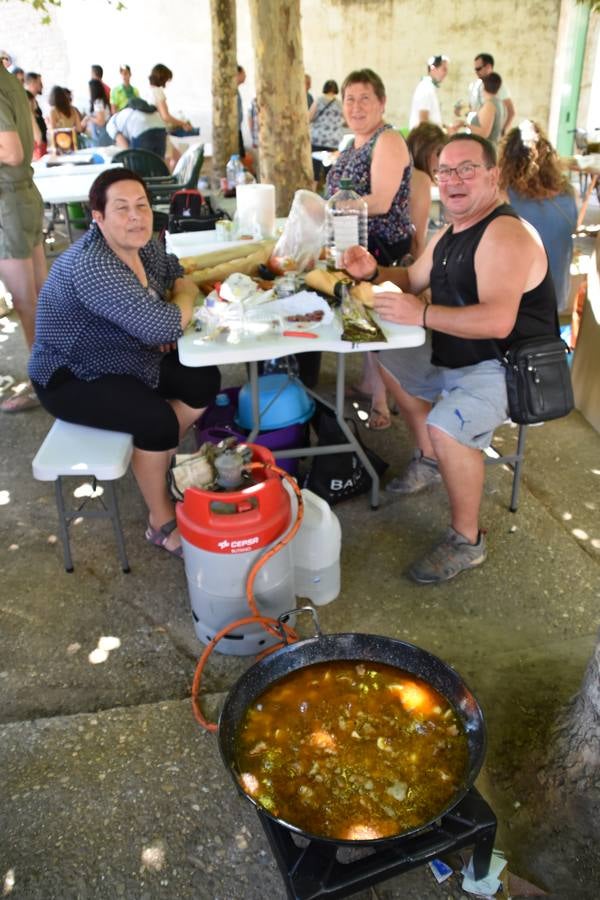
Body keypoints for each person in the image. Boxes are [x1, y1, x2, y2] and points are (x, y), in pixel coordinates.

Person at [341, 134, 557, 584]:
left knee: (449, 426)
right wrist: (374, 272)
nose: (453, 180)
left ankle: (466, 539)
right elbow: (413, 278)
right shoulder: (451, 231)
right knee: (383, 345)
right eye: (445, 171)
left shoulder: (505, 233)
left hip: (505, 367)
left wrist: (421, 313)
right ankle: (430, 457)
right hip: (457, 355)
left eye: (466, 169)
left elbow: (499, 321)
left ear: (493, 175)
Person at [28, 168, 220, 557]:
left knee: (203, 380)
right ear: (97, 218)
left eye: (142, 206)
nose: (135, 216)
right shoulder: (92, 264)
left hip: (123, 353)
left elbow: (173, 272)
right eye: (121, 209)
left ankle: (155, 459)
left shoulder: (144, 243)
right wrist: (181, 300)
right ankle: (160, 519)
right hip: (69, 374)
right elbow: (163, 323)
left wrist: (173, 303)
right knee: (156, 420)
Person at [326, 68, 412, 430]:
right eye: (350, 99)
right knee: (350, 310)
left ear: (381, 103)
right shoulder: (351, 143)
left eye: (365, 98)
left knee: (370, 315)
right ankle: (367, 382)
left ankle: (381, 401)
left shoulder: (388, 140)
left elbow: (379, 201)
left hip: (381, 244)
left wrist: (333, 207)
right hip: (350, 239)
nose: (356, 106)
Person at [0, 61, 46, 412]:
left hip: (8, 202)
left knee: (25, 300)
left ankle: (42, 383)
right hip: (23, 195)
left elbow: (12, 152)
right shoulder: (9, 79)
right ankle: (57, 370)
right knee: (40, 296)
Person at [498, 120, 577, 312]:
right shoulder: (567, 194)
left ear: (507, 160)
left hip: (524, 305)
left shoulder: (505, 196)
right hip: (559, 298)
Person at [406, 122, 446, 260]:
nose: (442, 160)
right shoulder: (420, 179)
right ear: (425, 151)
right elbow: (417, 241)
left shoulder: (403, 173)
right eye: (439, 152)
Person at [148, 63, 193, 168]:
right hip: (159, 131)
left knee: (176, 157)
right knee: (170, 161)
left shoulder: (148, 91)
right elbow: (165, 116)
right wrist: (183, 123)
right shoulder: (158, 92)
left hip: (152, 131)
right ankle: (169, 181)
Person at [468, 53, 515, 135]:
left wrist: (502, 131)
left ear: (489, 67)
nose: (476, 72)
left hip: (489, 136)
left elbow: (511, 111)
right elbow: (475, 108)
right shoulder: (476, 85)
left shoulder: (499, 86)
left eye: (478, 69)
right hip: (475, 133)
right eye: (475, 69)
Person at [309, 79, 346, 183]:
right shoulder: (340, 104)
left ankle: (313, 191)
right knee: (330, 171)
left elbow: (309, 117)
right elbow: (346, 121)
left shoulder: (319, 100)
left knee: (315, 170)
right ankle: (329, 194)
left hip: (317, 139)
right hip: (333, 140)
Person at [408, 55, 449, 130]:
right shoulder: (425, 88)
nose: (446, 73)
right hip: (425, 139)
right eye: (444, 69)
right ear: (433, 68)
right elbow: (423, 121)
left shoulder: (430, 88)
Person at [466, 73, 503, 147]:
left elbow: (484, 133)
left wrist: (464, 125)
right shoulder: (497, 103)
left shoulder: (489, 105)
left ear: (483, 86)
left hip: (485, 150)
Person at [46, 85, 83, 149]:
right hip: (73, 143)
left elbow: (53, 131)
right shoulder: (73, 110)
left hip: (60, 144)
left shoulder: (53, 111)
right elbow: (79, 129)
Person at [82, 78, 112, 147]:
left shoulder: (98, 102)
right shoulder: (103, 101)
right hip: (106, 135)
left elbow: (101, 122)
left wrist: (89, 118)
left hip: (101, 136)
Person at [24, 72, 47, 158]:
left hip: (40, 142)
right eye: (39, 82)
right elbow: (31, 120)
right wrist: (38, 139)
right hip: (36, 144)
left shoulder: (33, 100)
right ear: (32, 82)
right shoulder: (27, 99)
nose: (42, 85)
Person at [237, 64, 246, 157]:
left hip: (238, 128)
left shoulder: (236, 91)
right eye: (244, 73)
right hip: (235, 130)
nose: (245, 76)